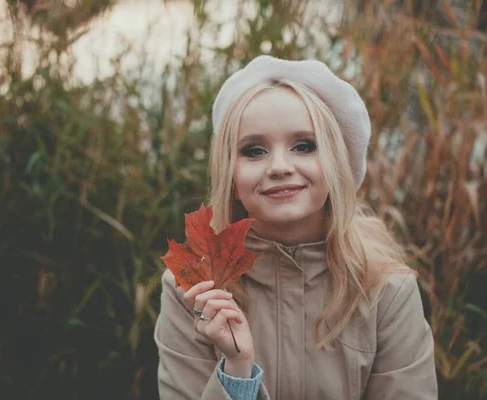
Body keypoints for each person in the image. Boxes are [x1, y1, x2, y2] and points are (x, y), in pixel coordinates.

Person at [154, 55, 438, 399]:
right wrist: (237, 372)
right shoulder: (194, 290)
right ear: (230, 174)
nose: (279, 166)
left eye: (304, 146)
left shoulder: (386, 290)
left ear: (337, 163)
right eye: (254, 151)